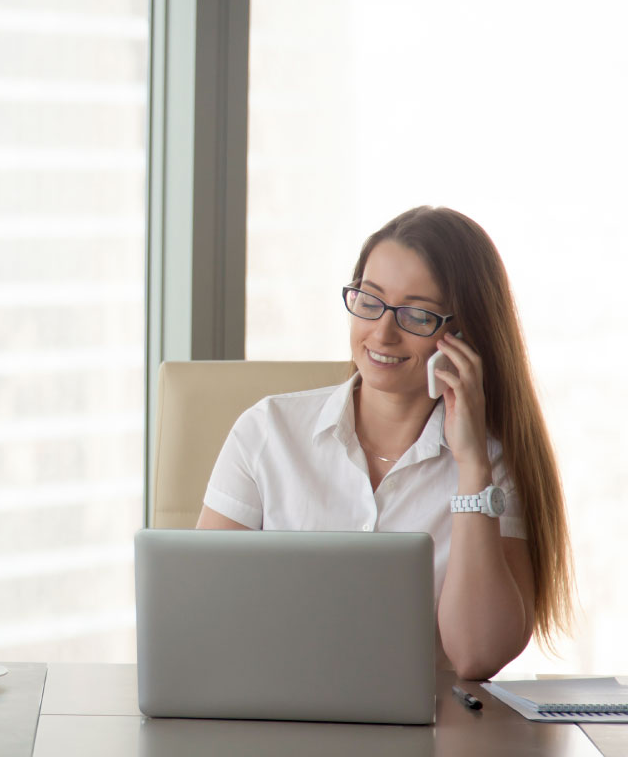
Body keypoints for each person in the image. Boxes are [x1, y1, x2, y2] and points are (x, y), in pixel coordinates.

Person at [196, 206, 573, 681]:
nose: (382, 332)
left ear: (462, 336)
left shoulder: (492, 465)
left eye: (416, 314)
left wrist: (472, 465)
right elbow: (202, 613)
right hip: (277, 718)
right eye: (369, 301)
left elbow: (478, 654)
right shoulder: (267, 432)